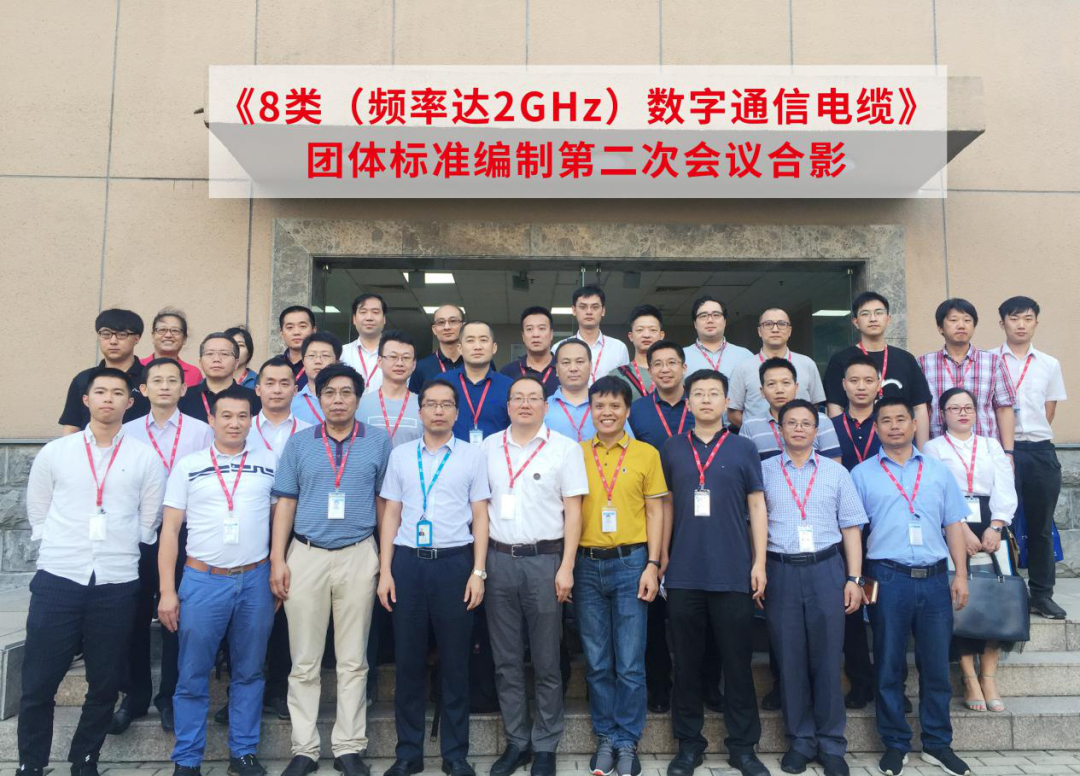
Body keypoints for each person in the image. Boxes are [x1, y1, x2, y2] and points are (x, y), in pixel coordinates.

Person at [21, 367, 166, 776]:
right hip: (59, 578)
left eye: (117, 393)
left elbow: (149, 517)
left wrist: (121, 543)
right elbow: (38, 508)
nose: (108, 399)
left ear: (129, 402)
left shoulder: (144, 457)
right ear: (86, 400)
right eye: (100, 392)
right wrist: (57, 545)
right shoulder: (57, 452)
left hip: (116, 582)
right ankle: (31, 764)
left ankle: (85, 759)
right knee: (38, 683)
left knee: (104, 683)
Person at [270, 363, 391, 776]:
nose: (338, 400)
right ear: (318, 398)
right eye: (329, 393)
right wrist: (277, 559)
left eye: (346, 393)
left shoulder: (378, 441)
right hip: (306, 555)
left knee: (353, 660)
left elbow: (384, 504)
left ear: (358, 398)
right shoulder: (300, 443)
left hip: (359, 554)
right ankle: (304, 749)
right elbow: (285, 503)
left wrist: (385, 562)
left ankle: (348, 747)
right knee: (304, 659)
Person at [157, 384, 277, 776]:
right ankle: (187, 759)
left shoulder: (269, 461)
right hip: (203, 579)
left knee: (250, 671)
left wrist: (277, 568)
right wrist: (167, 591)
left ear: (252, 420)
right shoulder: (189, 465)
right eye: (226, 415)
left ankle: (243, 753)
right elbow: (170, 531)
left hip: (255, 579)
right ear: (211, 419)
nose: (234, 423)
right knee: (192, 673)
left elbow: (280, 521)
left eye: (243, 416)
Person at [851, 397, 973, 776]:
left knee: (936, 667)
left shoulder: (937, 471)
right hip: (887, 578)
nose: (894, 426)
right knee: (889, 664)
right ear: (876, 428)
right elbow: (854, 532)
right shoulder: (861, 474)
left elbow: (953, 524)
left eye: (901, 419)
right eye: (885, 420)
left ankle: (937, 743)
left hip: (935, 579)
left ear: (914, 424)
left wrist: (960, 574)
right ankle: (895, 744)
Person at [377, 379, 491, 776]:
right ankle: (408, 753)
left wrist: (478, 572)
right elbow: (391, 513)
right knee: (408, 663)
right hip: (408, 564)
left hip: (455, 564)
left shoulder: (473, 456)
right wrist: (386, 570)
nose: (438, 411)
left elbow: (480, 516)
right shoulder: (401, 455)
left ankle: (455, 754)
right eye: (431, 404)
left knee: (455, 663)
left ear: (457, 413)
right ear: (420, 410)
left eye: (446, 405)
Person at [659, 369, 769, 776]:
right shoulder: (671, 447)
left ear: (726, 402)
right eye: (699, 394)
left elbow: (757, 505)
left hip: (732, 571)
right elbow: (665, 505)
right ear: (687, 402)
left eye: (714, 393)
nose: (706, 400)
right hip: (684, 572)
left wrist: (759, 562)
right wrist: (661, 558)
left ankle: (743, 747)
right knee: (686, 664)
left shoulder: (743, 447)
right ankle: (689, 745)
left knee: (737, 664)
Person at [481, 376, 588, 776]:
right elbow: (480, 508)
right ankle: (517, 742)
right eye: (518, 398)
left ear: (546, 406)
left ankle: (545, 744)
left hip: (546, 561)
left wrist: (567, 566)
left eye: (533, 398)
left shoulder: (565, 449)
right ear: (508, 406)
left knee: (546, 660)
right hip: (498, 560)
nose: (525, 404)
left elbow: (574, 512)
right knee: (505, 660)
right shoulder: (488, 448)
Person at [761, 399, 868, 776]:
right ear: (780, 430)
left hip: (827, 570)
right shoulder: (764, 472)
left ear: (816, 430)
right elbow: (753, 525)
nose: (799, 429)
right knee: (789, 659)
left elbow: (851, 528)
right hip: (781, 570)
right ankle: (800, 741)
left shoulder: (836, 473)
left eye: (806, 423)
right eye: (791, 423)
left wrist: (854, 578)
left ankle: (832, 743)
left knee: (827, 657)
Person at [110, 358, 213, 736]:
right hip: (138, 533)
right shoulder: (127, 431)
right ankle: (134, 695)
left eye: (173, 381)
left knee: (176, 616)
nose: (165, 386)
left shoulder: (202, 432)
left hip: (186, 533)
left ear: (184, 389)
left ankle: (169, 696)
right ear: (143, 390)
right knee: (133, 616)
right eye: (157, 381)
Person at [575, 377, 666, 776]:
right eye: (599, 405)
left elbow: (656, 512)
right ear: (590, 410)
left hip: (632, 562)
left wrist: (654, 564)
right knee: (597, 661)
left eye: (615, 406)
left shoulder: (647, 454)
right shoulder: (576, 453)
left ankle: (628, 740)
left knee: (629, 661)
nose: (607, 412)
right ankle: (605, 736)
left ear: (628, 410)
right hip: (586, 564)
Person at [924, 388, 1019, 713]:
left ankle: (988, 676)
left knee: (996, 599)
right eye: (954, 408)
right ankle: (968, 677)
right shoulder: (933, 448)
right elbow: (936, 491)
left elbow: (1005, 487)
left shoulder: (991, 445)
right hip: (952, 525)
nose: (962, 413)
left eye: (968, 407)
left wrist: (997, 525)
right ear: (942, 414)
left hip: (991, 523)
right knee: (960, 601)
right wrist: (961, 528)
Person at [626, 340, 690, 713]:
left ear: (683, 367)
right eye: (658, 364)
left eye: (672, 362)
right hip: (648, 514)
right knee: (652, 609)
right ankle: (659, 684)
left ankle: (701, 684)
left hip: (695, 517)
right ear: (649, 371)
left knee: (693, 606)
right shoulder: (637, 411)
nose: (665, 369)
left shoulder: (699, 405)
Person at [247, 355, 312, 720]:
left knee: (287, 613)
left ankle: (277, 690)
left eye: (284, 383)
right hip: (249, 529)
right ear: (257, 388)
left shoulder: (309, 432)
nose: (276, 390)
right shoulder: (241, 427)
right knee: (249, 615)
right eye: (269, 383)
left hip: (296, 530)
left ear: (295, 389)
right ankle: (244, 693)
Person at [996, 296, 1069, 620]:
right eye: (1014, 319)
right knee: (1001, 524)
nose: (1021, 325)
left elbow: (1049, 411)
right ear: (1002, 323)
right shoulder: (990, 360)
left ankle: (1041, 594)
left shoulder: (1049, 364)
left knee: (1040, 526)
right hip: (1001, 450)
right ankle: (1007, 593)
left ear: (1036, 323)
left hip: (1039, 449)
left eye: (1027, 318)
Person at [830, 354, 883, 712]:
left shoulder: (891, 422)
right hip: (842, 530)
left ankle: (891, 684)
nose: (861, 387)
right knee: (850, 606)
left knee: (883, 611)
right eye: (854, 380)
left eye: (868, 380)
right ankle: (860, 682)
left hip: (883, 529)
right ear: (844, 386)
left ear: (879, 385)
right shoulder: (827, 427)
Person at [823, 292, 932, 446]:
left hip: (900, 443)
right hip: (855, 442)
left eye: (879, 313)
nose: (873, 318)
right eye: (865, 314)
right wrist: (843, 445)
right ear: (855, 322)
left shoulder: (906, 359)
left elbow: (919, 407)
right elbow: (835, 407)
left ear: (888, 319)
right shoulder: (840, 359)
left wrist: (922, 451)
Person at [917, 298, 1015, 446]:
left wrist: (1008, 452)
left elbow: (1004, 409)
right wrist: (923, 452)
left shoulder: (993, 362)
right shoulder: (924, 364)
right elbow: (920, 410)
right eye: (953, 320)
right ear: (940, 328)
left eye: (967, 320)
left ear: (974, 326)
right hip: (939, 449)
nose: (961, 325)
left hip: (984, 449)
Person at [726, 308, 826, 426]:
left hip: (800, 435)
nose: (775, 329)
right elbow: (733, 413)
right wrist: (756, 430)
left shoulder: (807, 364)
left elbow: (815, 406)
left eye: (781, 324)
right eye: (768, 324)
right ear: (759, 331)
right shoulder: (742, 368)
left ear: (789, 331)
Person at [60, 309, 151, 433]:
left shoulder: (150, 378)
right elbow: (72, 426)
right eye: (106, 334)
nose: (113, 341)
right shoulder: (83, 379)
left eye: (122, 334)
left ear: (137, 338)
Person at [739, 358, 841, 461]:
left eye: (786, 383)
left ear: (796, 387)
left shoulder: (821, 421)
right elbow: (744, 467)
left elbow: (834, 466)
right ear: (762, 391)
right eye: (771, 384)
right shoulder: (750, 426)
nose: (779, 390)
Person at [443, 321, 513, 442]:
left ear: (494, 348)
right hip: (450, 453)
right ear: (460, 348)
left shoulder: (509, 386)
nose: (477, 347)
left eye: (483, 340)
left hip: (496, 453)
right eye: (470, 340)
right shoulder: (442, 383)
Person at [356, 330, 423, 447]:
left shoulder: (423, 405)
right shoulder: (360, 404)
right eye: (393, 357)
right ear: (379, 361)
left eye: (406, 357)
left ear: (414, 364)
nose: (399, 363)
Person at [178, 333, 261, 424]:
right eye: (210, 353)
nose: (216, 359)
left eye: (224, 354)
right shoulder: (183, 397)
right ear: (200, 362)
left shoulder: (254, 399)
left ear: (236, 363)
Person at [554, 286, 630, 385]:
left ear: (603, 310)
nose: (589, 312)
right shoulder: (559, 348)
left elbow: (625, 385)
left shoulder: (619, 348)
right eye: (583, 307)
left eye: (595, 307)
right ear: (574, 310)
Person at [681, 296, 753, 378]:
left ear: (725, 322)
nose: (710, 320)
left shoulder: (745, 356)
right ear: (695, 324)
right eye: (703, 316)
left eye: (716, 315)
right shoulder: (681, 356)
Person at [500, 306, 561, 397]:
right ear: (523, 336)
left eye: (541, 328)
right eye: (529, 329)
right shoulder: (507, 372)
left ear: (551, 334)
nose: (535, 334)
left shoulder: (565, 369)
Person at [546, 339, 596, 444]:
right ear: (557, 369)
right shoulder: (543, 408)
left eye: (580, 362)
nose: (573, 368)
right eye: (566, 363)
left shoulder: (608, 406)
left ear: (590, 367)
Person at [610, 305, 664, 400]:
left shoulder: (673, 373)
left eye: (652, 330)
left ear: (661, 335)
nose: (646, 335)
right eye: (640, 330)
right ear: (631, 336)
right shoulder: (617, 375)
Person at [141, 307, 203, 387]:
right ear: (153, 336)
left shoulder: (194, 373)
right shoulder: (138, 367)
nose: (168, 335)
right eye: (162, 330)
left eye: (175, 330)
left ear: (184, 339)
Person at [290, 332, 343, 425]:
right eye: (311, 356)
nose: (318, 361)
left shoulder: (348, 401)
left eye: (325, 356)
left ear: (337, 362)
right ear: (303, 362)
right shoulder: (290, 403)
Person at [409, 304, 464, 393]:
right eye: (441, 322)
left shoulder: (476, 363)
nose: (447, 327)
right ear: (434, 329)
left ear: (463, 326)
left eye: (453, 321)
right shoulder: (421, 367)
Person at [342, 293, 387, 394]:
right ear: (354, 319)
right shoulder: (341, 353)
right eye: (363, 312)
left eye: (375, 312)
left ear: (384, 318)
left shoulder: (396, 355)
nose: (369, 317)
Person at [279, 305, 317, 391]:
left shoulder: (322, 365)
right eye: (290, 327)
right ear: (281, 333)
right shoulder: (273, 366)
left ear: (314, 330)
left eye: (302, 326)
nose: (296, 332)